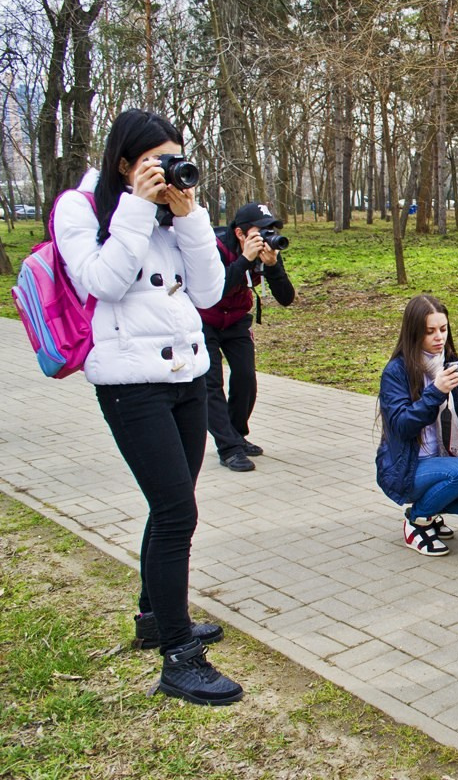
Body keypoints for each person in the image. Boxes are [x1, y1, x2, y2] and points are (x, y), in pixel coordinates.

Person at [55, 108, 242, 705]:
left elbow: (212, 292)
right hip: (131, 383)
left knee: (171, 507)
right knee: (175, 512)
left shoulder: (173, 214)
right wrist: (137, 208)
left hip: (188, 373)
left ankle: (153, 617)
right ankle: (178, 656)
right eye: (151, 164)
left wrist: (191, 219)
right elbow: (102, 283)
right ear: (123, 165)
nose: (165, 174)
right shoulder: (80, 209)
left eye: (173, 160)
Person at [376, 294, 458, 556]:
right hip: (407, 468)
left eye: (443, 329)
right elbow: (401, 426)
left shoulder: (450, 364)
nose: (438, 337)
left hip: (444, 461)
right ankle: (417, 521)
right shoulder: (396, 372)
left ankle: (428, 512)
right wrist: (435, 391)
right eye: (429, 331)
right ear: (413, 333)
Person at [198, 202, 295, 472]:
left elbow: (286, 298)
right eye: (261, 231)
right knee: (211, 383)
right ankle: (228, 447)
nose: (267, 237)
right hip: (204, 320)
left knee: (245, 377)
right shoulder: (214, 248)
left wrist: (273, 265)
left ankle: (237, 435)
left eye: (271, 230)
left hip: (237, 320)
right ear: (240, 233)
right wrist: (243, 260)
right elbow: (215, 290)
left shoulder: (267, 251)